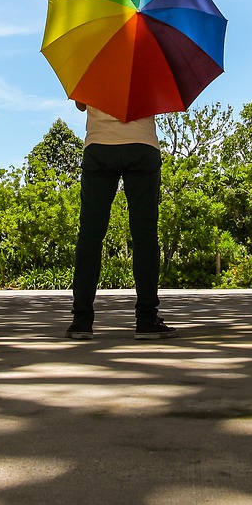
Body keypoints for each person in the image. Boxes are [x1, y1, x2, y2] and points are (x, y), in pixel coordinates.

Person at [66, 101, 178, 340]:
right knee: (145, 235)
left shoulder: (91, 63)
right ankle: (147, 319)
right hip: (141, 145)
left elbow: (80, 105)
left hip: (100, 146)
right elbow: (160, 102)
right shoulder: (154, 65)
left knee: (90, 235)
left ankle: (81, 320)